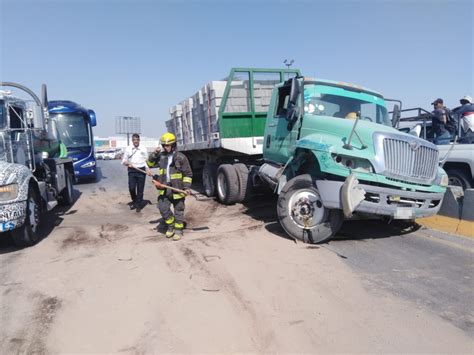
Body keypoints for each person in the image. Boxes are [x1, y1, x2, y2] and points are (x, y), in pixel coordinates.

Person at [147, 132, 192, 241]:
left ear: (173, 145)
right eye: (164, 145)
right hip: (164, 188)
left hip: (177, 189)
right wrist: (155, 154)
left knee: (179, 211)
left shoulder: (181, 157)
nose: (165, 147)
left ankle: (178, 230)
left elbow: (188, 174)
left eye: (167, 145)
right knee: (163, 208)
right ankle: (171, 226)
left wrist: (186, 187)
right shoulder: (161, 157)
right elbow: (150, 164)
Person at [122, 133, 150, 212]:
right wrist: (127, 163)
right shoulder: (128, 149)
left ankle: (138, 205)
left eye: (137, 140)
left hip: (141, 170)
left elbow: (146, 160)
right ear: (132, 140)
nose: (136, 141)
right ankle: (134, 200)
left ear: (139, 140)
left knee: (140, 189)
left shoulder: (143, 148)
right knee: (132, 188)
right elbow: (124, 160)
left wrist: (147, 169)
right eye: (134, 140)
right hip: (132, 170)